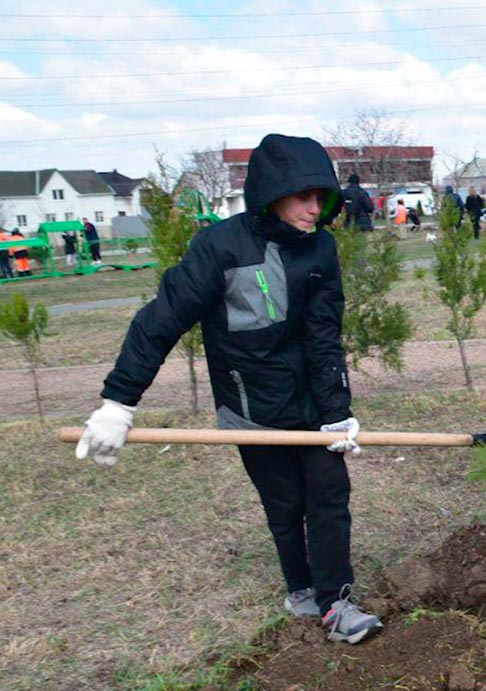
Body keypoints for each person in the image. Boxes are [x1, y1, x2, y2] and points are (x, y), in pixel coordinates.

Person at [74, 133, 383, 645]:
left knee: (329, 494)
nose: (316, 208)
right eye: (304, 196)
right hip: (250, 406)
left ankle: (336, 602)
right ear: (273, 192)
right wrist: (118, 403)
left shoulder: (321, 248)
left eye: (322, 198)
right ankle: (300, 587)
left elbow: (325, 334)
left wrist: (337, 410)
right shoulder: (219, 247)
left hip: (309, 401)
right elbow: (161, 322)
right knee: (284, 504)